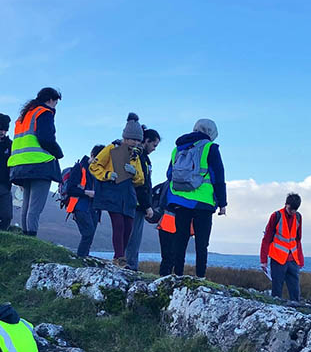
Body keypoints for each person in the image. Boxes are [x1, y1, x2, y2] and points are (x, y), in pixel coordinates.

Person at [165, 118, 227, 278]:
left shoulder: (177, 148)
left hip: (179, 199)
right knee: (201, 242)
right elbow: (218, 176)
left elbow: (169, 174)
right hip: (203, 201)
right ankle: (200, 276)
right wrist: (222, 203)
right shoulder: (210, 148)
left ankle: (177, 274)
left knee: (180, 239)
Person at [89, 114, 146, 267]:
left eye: (138, 140)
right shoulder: (111, 148)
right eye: (133, 139)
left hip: (128, 195)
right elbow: (94, 166)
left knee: (128, 226)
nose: (135, 143)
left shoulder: (136, 155)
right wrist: (107, 175)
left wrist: (134, 173)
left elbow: (141, 180)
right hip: (112, 192)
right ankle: (119, 257)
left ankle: (120, 257)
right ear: (126, 137)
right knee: (119, 224)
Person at [8, 87, 64, 236]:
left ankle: (26, 236)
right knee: (35, 207)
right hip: (40, 164)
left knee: (26, 205)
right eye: (55, 103)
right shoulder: (44, 113)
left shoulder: (24, 117)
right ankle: (31, 237)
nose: (55, 106)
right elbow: (46, 138)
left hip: (20, 166)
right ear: (51, 100)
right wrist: (58, 153)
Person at [124, 125, 161, 271]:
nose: (154, 149)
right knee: (134, 237)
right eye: (154, 145)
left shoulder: (140, 157)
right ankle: (131, 266)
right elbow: (140, 184)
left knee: (129, 234)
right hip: (136, 203)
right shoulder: (139, 157)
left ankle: (128, 263)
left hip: (131, 201)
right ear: (146, 140)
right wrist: (147, 206)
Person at [259, 193, 304, 301]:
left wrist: (300, 259)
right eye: (290, 209)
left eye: (295, 209)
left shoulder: (298, 217)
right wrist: (263, 260)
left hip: (293, 259)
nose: (292, 212)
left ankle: (296, 309)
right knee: (277, 290)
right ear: (286, 204)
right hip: (277, 259)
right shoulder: (276, 216)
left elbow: (298, 240)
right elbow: (266, 239)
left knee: (295, 290)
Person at [65, 144, 105, 257]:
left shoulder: (98, 171)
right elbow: (70, 189)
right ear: (92, 155)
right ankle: (81, 258)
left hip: (94, 208)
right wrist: (87, 193)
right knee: (88, 233)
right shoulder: (79, 167)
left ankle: (83, 257)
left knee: (90, 235)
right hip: (79, 206)